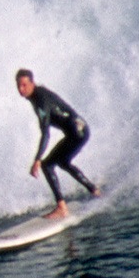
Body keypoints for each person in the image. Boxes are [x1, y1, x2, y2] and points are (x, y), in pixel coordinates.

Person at [16, 68, 99, 220]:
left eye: (24, 85)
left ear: (32, 83)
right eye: (18, 86)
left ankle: (61, 207)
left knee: (47, 165)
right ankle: (94, 190)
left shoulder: (40, 101)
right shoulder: (39, 93)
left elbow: (46, 134)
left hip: (77, 132)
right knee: (63, 162)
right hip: (81, 129)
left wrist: (37, 159)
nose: (21, 89)